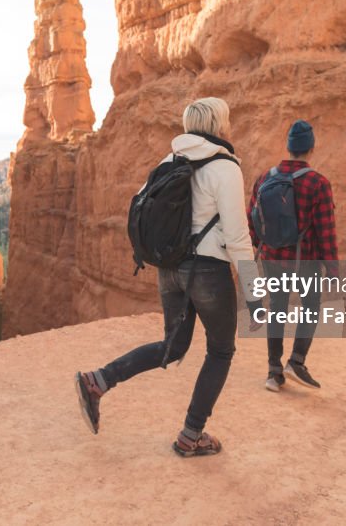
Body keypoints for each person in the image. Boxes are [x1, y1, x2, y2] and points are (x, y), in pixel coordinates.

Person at [74, 97, 256, 457]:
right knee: (220, 351)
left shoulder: (169, 160)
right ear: (219, 125)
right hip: (208, 272)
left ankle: (98, 381)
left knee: (171, 348)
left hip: (169, 270)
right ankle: (191, 435)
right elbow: (236, 235)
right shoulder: (226, 167)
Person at [247, 119, 338, 392]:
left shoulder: (265, 178)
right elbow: (325, 230)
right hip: (304, 260)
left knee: (277, 307)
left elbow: (252, 218)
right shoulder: (318, 183)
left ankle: (273, 372)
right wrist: (332, 269)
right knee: (310, 307)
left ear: (288, 147)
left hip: (272, 257)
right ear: (311, 148)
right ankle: (296, 362)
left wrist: (259, 246)